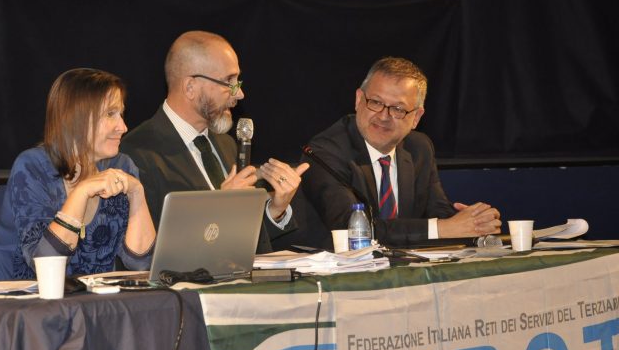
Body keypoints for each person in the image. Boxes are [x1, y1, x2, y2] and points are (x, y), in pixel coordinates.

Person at [120, 30, 309, 253]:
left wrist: (275, 209)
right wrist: (221, 207)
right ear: (190, 87)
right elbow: (150, 253)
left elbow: (240, 242)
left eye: (237, 81)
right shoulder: (136, 154)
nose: (239, 94)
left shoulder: (226, 145)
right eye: (229, 81)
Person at [301, 57, 501, 246]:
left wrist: (472, 222)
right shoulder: (325, 151)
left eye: (398, 109)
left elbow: (436, 211)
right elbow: (352, 228)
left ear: (416, 117)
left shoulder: (419, 148)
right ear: (359, 99)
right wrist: (443, 228)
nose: (383, 116)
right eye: (376, 102)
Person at [0, 68, 155, 280]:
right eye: (110, 114)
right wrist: (82, 192)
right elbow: (45, 264)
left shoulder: (122, 166)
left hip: (93, 298)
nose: (123, 127)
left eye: (121, 114)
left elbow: (141, 264)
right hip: (25, 298)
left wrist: (137, 193)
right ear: (76, 118)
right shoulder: (33, 167)